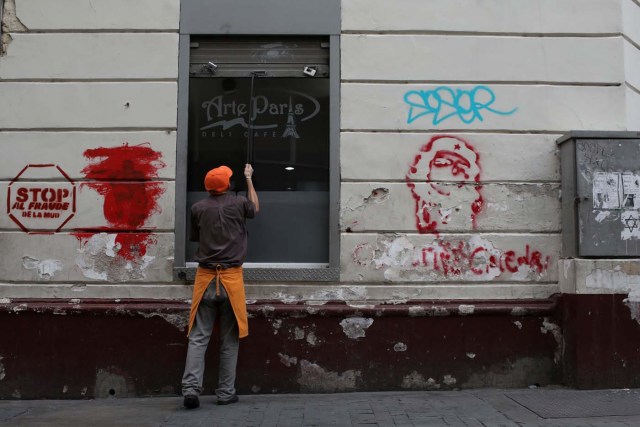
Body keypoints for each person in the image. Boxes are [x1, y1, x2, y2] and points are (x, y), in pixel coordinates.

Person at [182, 163, 259, 409]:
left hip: (205, 278)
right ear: (228, 184)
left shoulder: (197, 208)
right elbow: (255, 208)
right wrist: (249, 179)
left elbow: (196, 237)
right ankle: (225, 393)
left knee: (198, 337)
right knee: (229, 340)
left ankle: (191, 389)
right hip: (231, 279)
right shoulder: (238, 203)